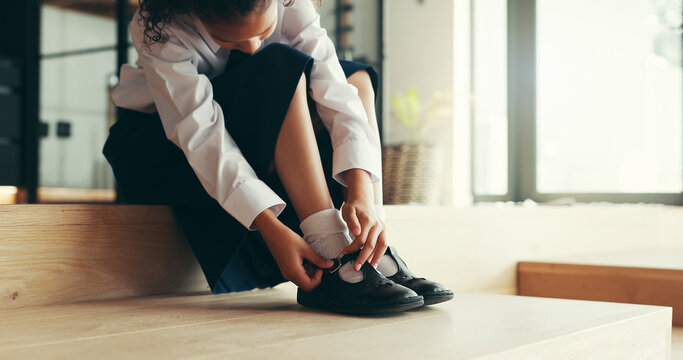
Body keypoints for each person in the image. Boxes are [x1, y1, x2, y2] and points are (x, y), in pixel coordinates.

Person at [103, 0, 452, 315]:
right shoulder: (160, 26)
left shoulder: (291, 4)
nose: (251, 47)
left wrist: (361, 192)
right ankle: (330, 246)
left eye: (264, 31)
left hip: (254, 125)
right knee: (279, 67)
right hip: (165, 150)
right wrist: (270, 227)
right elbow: (201, 135)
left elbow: (336, 93)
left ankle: (370, 246)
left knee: (354, 79)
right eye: (231, 42)